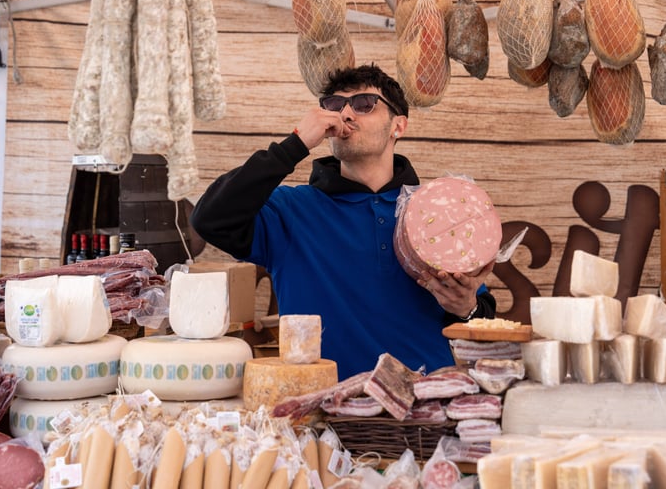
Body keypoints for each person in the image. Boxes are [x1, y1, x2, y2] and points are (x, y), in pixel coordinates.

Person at [190, 63, 496, 379]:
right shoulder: (289, 210)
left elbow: (482, 316)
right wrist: (296, 143)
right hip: (320, 411)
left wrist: (466, 308)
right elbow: (210, 218)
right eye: (335, 105)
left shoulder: (435, 211)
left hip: (423, 411)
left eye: (364, 105)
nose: (345, 115)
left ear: (398, 126)